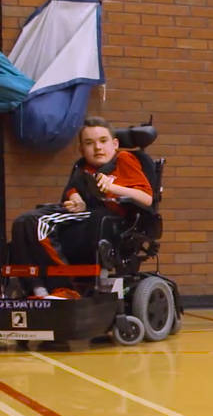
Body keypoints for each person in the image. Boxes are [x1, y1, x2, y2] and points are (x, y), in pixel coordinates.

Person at [7, 117, 153, 299]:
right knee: (22, 222)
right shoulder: (82, 167)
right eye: (89, 143)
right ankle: (37, 288)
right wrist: (75, 198)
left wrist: (112, 188)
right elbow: (72, 190)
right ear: (82, 149)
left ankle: (66, 288)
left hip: (109, 219)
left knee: (40, 222)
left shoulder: (124, 159)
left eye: (103, 141)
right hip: (83, 215)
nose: (98, 148)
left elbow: (146, 198)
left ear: (115, 144)